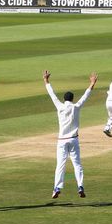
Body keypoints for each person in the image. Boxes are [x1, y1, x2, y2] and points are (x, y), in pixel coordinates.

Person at [43, 70, 97, 199]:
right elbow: (85, 96)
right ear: (72, 99)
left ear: (64, 99)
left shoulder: (60, 107)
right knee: (77, 164)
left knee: (60, 165)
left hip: (62, 140)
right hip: (74, 140)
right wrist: (92, 83)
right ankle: (80, 186)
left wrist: (46, 81)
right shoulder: (76, 106)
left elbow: (52, 95)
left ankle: (57, 188)